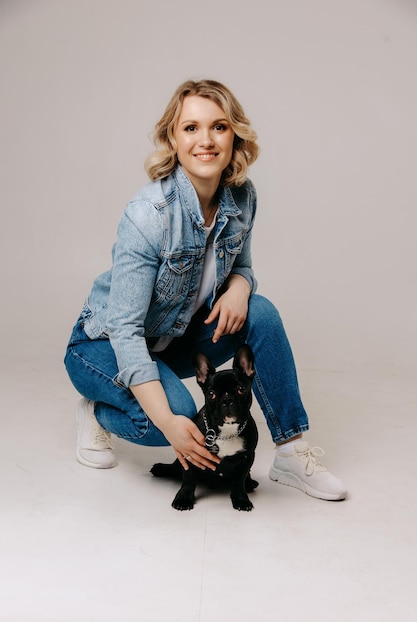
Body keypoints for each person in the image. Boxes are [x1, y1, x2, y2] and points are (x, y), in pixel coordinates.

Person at [64, 78, 347, 501]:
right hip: (101, 346)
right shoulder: (149, 214)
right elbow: (124, 329)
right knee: (180, 418)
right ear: (172, 139)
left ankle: (291, 451)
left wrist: (240, 285)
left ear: (235, 135)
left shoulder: (242, 197)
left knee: (261, 312)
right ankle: (100, 412)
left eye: (219, 127)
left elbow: (244, 266)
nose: (206, 140)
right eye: (191, 128)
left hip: (170, 339)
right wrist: (168, 423)